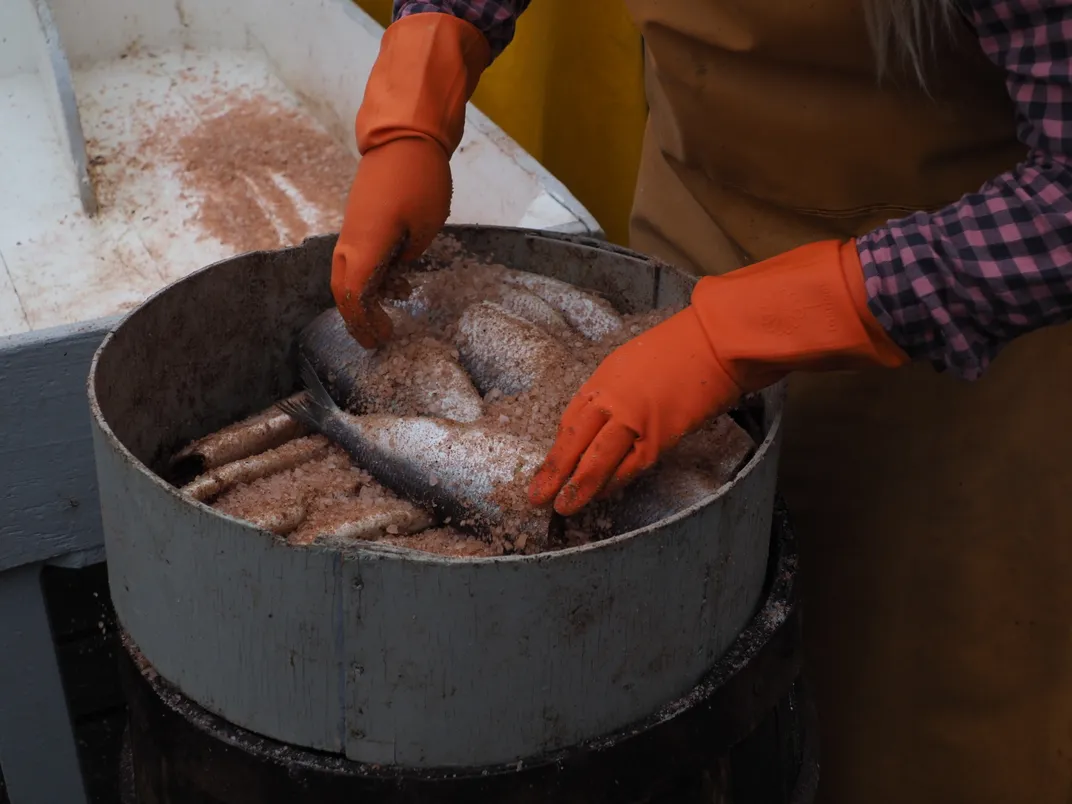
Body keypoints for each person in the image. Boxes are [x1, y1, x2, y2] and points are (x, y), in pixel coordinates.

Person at [331, 1, 1072, 802]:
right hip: (690, 254)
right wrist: (424, 79)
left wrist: (741, 336)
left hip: (941, 357)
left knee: (889, 711)